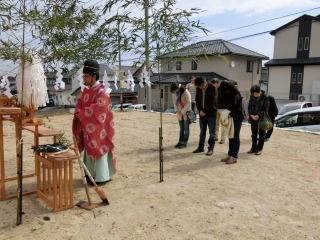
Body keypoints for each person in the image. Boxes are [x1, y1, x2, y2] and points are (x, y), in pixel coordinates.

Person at [72, 59, 116, 185]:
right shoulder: (86, 90)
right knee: (88, 149)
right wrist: (78, 111)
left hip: (100, 129)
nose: (84, 79)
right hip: (88, 126)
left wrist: (82, 113)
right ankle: (89, 174)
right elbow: (80, 102)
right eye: (83, 76)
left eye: (86, 76)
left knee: (98, 149)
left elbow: (99, 108)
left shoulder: (102, 92)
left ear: (94, 76)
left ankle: (101, 177)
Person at [218, 80, 245, 164]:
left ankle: (234, 157)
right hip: (230, 116)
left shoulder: (238, 94)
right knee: (230, 135)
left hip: (237, 116)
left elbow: (238, 108)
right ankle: (230, 154)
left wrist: (230, 114)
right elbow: (225, 105)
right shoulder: (225, 93)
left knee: (236, 135)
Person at [193, 76, 217, 156]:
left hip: (211, 113)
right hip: (202, 114)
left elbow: (213, 101)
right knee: (202, 131)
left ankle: (210, 148)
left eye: (200, 85)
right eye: (198, 86)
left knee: (212, 132)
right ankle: (200, 147)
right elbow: (197, 100)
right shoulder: (198, 88)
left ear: (204, 83)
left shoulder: (212, 88)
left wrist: (204, 110)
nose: (199, 87)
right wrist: (200, 110)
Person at [247, 84, 269, 155]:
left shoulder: (265, 97)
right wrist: (251, 115)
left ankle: (259, 149)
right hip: (253, 118)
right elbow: (249, 107)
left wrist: (258, 115)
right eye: (253, 94)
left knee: (261, 134)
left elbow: (266, 109)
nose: (255, 95)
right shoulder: (251, 97)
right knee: (254, 134)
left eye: (256, 93)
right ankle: (253, 148)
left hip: (262, 118)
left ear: (259, 92)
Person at [170, 82, 191, 149]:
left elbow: (189, 103)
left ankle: (184, 142)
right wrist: (176, 110)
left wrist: (182, 111)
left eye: (175, 90)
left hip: (186, 112)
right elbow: (174, 102)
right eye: (173, 91)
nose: (174, 92)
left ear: (178, 88)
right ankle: (180, 141)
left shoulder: (185, 92)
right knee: (181, 128)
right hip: (179, 113)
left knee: (186, 128)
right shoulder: (174, 93)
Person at [211, 78, 226, 144]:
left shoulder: (224, 90)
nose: (215, 85)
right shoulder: (212, 90)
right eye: (213, 84)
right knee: (216, 124)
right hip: (215, 109)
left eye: (215, 84)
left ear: (218, 83)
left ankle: (223, 138)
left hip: (223, 109)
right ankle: (215, 137)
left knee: (223, 125)